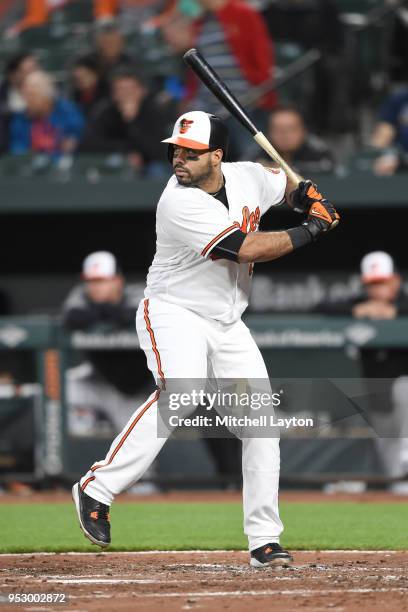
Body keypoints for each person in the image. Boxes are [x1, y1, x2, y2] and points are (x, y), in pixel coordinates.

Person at [72, 110, 339, 567]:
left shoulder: (250, 176)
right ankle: (96, 488)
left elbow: (285, 185)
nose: (179, 158)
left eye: (191, 153)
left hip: (228, 322)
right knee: (182, 391)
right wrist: (313, 226)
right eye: (176, 149)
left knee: (261, 425)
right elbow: (246, 248)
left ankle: (264, 541)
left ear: (216, 156)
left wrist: (305, 195)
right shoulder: (178, 202)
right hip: (175, 310)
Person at [318, 251, 408, 492]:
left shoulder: (404, 304)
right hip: (378, 392)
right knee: (389, 450)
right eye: (373, 284)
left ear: (396, 280)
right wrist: (356, 310)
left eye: (383, 283)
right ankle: (398, 487)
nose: (378, 290)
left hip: (401, 388)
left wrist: (396, 313)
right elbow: (322, 306)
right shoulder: (361, 304)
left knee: (404, 390)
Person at [185, 0, 277, 159]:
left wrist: (263, 89)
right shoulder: (200, 22)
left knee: (251, 158)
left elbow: (261, 53)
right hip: (207, 106)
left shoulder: (243, 13)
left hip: (243, 102)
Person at [80, 66, 169, 175]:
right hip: (112, 163)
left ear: (142, 91)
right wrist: (127, 153)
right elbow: (88, 144)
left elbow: (158, 150)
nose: (126, 94)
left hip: (148, 165)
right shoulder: (105, 111)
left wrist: (132, 121)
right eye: (121, 89)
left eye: (130, 89)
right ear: (113, 94)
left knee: (157, 169)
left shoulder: (153, 111)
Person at [8, 70, 84, 159]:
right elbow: (18, 149)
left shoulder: (68, 112)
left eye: (32, 95)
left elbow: (73, 142)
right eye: (25, 95)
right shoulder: (20, 118)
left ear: (47, 97)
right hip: (31, 168)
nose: (27, 101)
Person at [254, 106, 335, 176]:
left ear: (303, 131)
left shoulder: (316, 149)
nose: (285, 135)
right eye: (278, 129)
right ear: (268, 133)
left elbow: (329, 167)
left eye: (291, 129)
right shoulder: (260, 151)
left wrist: (286, 169)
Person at [0, 51, 40, 152]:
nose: (36, 75)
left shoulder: (46, 97)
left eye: (36, 69)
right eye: (30, 71)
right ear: (13, 75)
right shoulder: (2, 98)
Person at [371, 89, 408, 176]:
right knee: (384, 165)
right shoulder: (400, 98)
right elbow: (385, 131)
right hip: (400, 157)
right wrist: (378, 155)